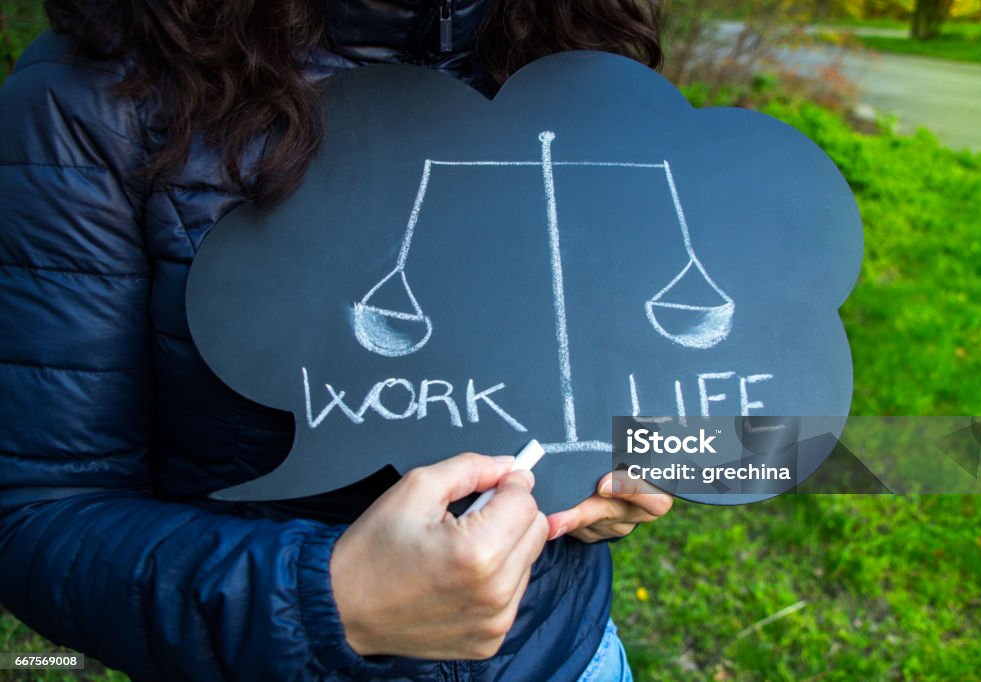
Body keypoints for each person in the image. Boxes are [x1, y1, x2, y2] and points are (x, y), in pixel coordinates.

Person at [0, 1, 672, 679]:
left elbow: (749, 427)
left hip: (570, 655)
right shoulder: (96, 95)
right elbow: (33, 518)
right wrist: (329, 601)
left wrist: (642, 463)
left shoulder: (575, 43)